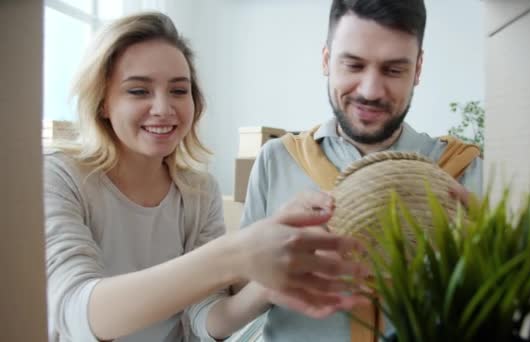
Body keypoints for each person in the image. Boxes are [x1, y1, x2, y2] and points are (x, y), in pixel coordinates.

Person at [44, 12, 368, 342]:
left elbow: (205, 318)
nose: (163, 108)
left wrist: (268, 287)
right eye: (139, 91)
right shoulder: (59, 176)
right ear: (102, 102)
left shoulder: (198, 191)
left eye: (178, 91)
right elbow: (76, 314)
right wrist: (236, 254)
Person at [202, 0, 483, 341]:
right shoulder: (275, 160)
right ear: (326, 59)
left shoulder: (463, 172)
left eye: (393, 70)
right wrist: (272, 274)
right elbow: (233, 303)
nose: (370, 91)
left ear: (418, 68)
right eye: (353, 65)